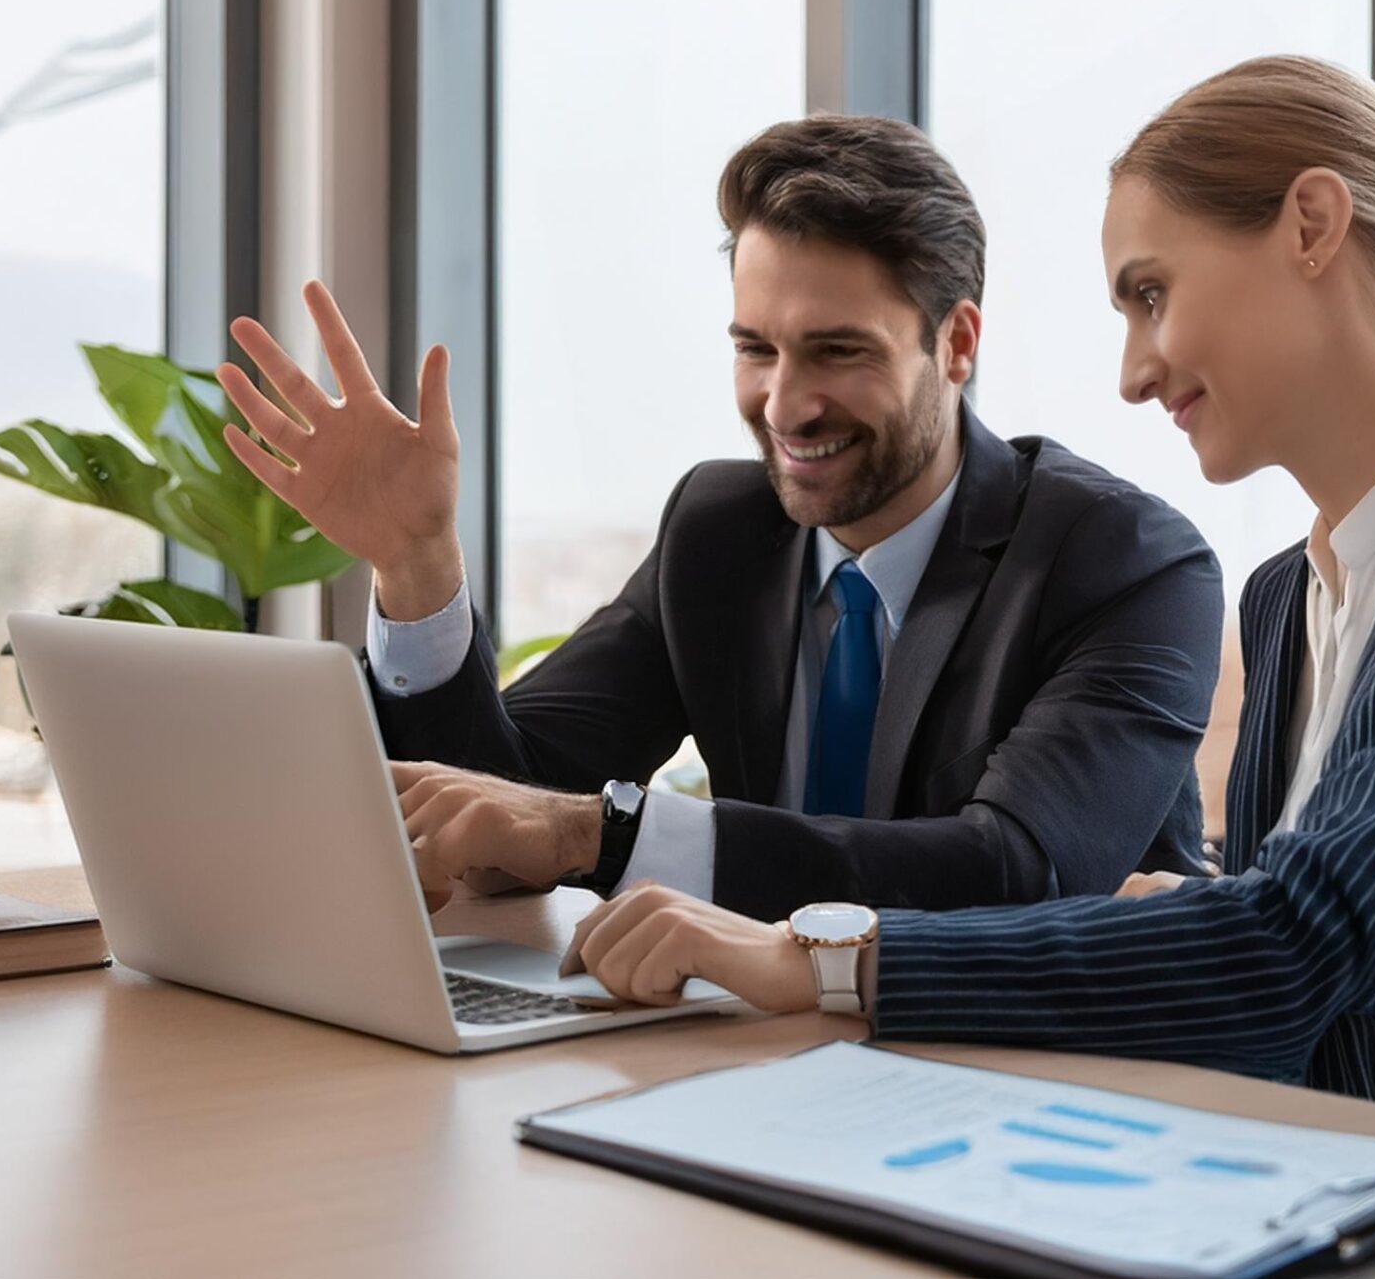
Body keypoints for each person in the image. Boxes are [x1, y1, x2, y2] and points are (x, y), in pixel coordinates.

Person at [557, 57, 1375, 1178]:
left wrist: (825, 959)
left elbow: (1307, 942)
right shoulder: (1285, 596)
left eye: (1150, 294)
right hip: (1349, 1184)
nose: (1132, 369)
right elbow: (1298, 956)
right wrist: (1193, 925)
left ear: (1311, 225)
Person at [214, 115, 1221, 921]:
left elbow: (1014, 872)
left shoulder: (1124, 562)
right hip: (756, 1061)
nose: (784, 404)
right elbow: (507, 802)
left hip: (1049, 1098)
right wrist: (417, 559)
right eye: (756, 349)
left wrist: (600, 834)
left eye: (836, 351)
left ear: (955, 343)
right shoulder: (720, 528)